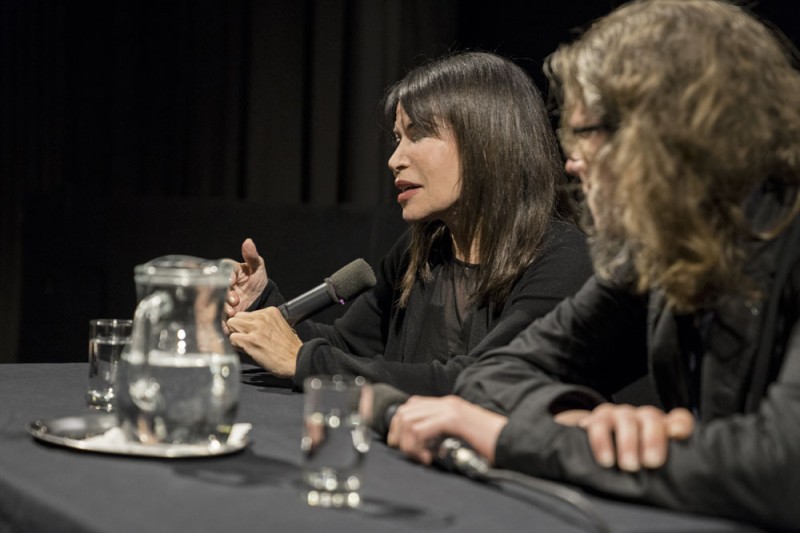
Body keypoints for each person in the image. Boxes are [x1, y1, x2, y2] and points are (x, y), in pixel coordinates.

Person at [385, 0, 800, 528]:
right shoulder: (665, 252)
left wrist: (524, 439)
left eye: (590, 133)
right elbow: (489, 377)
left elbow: (782, 470)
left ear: (677, 132)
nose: (573, 162)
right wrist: (588, 425)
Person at [224, 51, 593, 396]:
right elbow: (345, 348)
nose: (395, 159)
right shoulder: (423, 249)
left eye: (417, 134)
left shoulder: (562, 259)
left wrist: (308, 362)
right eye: (398, 139)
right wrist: (259, 303)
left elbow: (482, 383)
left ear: (486, 143)